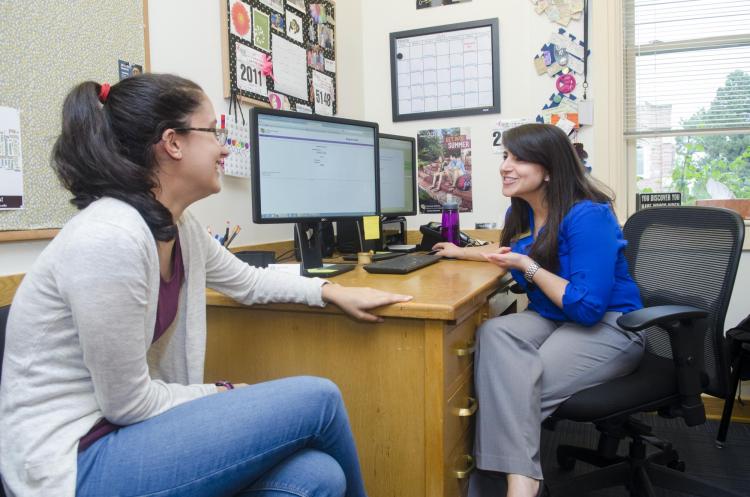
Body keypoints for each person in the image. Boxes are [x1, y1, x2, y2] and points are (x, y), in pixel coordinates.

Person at [0, 74, 412, 497]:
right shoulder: (110, 237)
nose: (225, 147)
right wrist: (221, 392)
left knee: (317, 475)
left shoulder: (178, 227)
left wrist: (332, 292)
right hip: (75, 461)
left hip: (127, 436)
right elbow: (128, 405)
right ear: (173, 142)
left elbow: (247, 281)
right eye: (214, 131)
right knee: (320, 399)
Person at [432, 124, 644, 497]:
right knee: (494, 334)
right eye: (505, 156)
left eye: (519, 158)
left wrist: (526, 266)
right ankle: (517, 479)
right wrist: (460, 252)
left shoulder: (588, 215)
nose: (505, 166)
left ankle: (517, 484)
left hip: (610, 325)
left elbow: (586, 307)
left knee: (510, 386)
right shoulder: (531, 214)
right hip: (554, 320)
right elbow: (512, 255)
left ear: (549, 169)